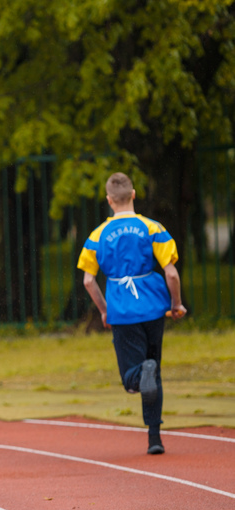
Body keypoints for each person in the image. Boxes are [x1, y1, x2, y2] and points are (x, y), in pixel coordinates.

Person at [77, 172, 186, 455]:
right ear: (134, 195)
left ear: (109, 200)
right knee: (154, 372)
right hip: (153, 306)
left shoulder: (97, 235)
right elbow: (171, 272)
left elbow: (88, 281)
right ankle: (154, 438)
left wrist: (103, 310)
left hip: (122, 309)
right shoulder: (153, 228)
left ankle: (141, 372)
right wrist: (176, 304)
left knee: (132, 377)